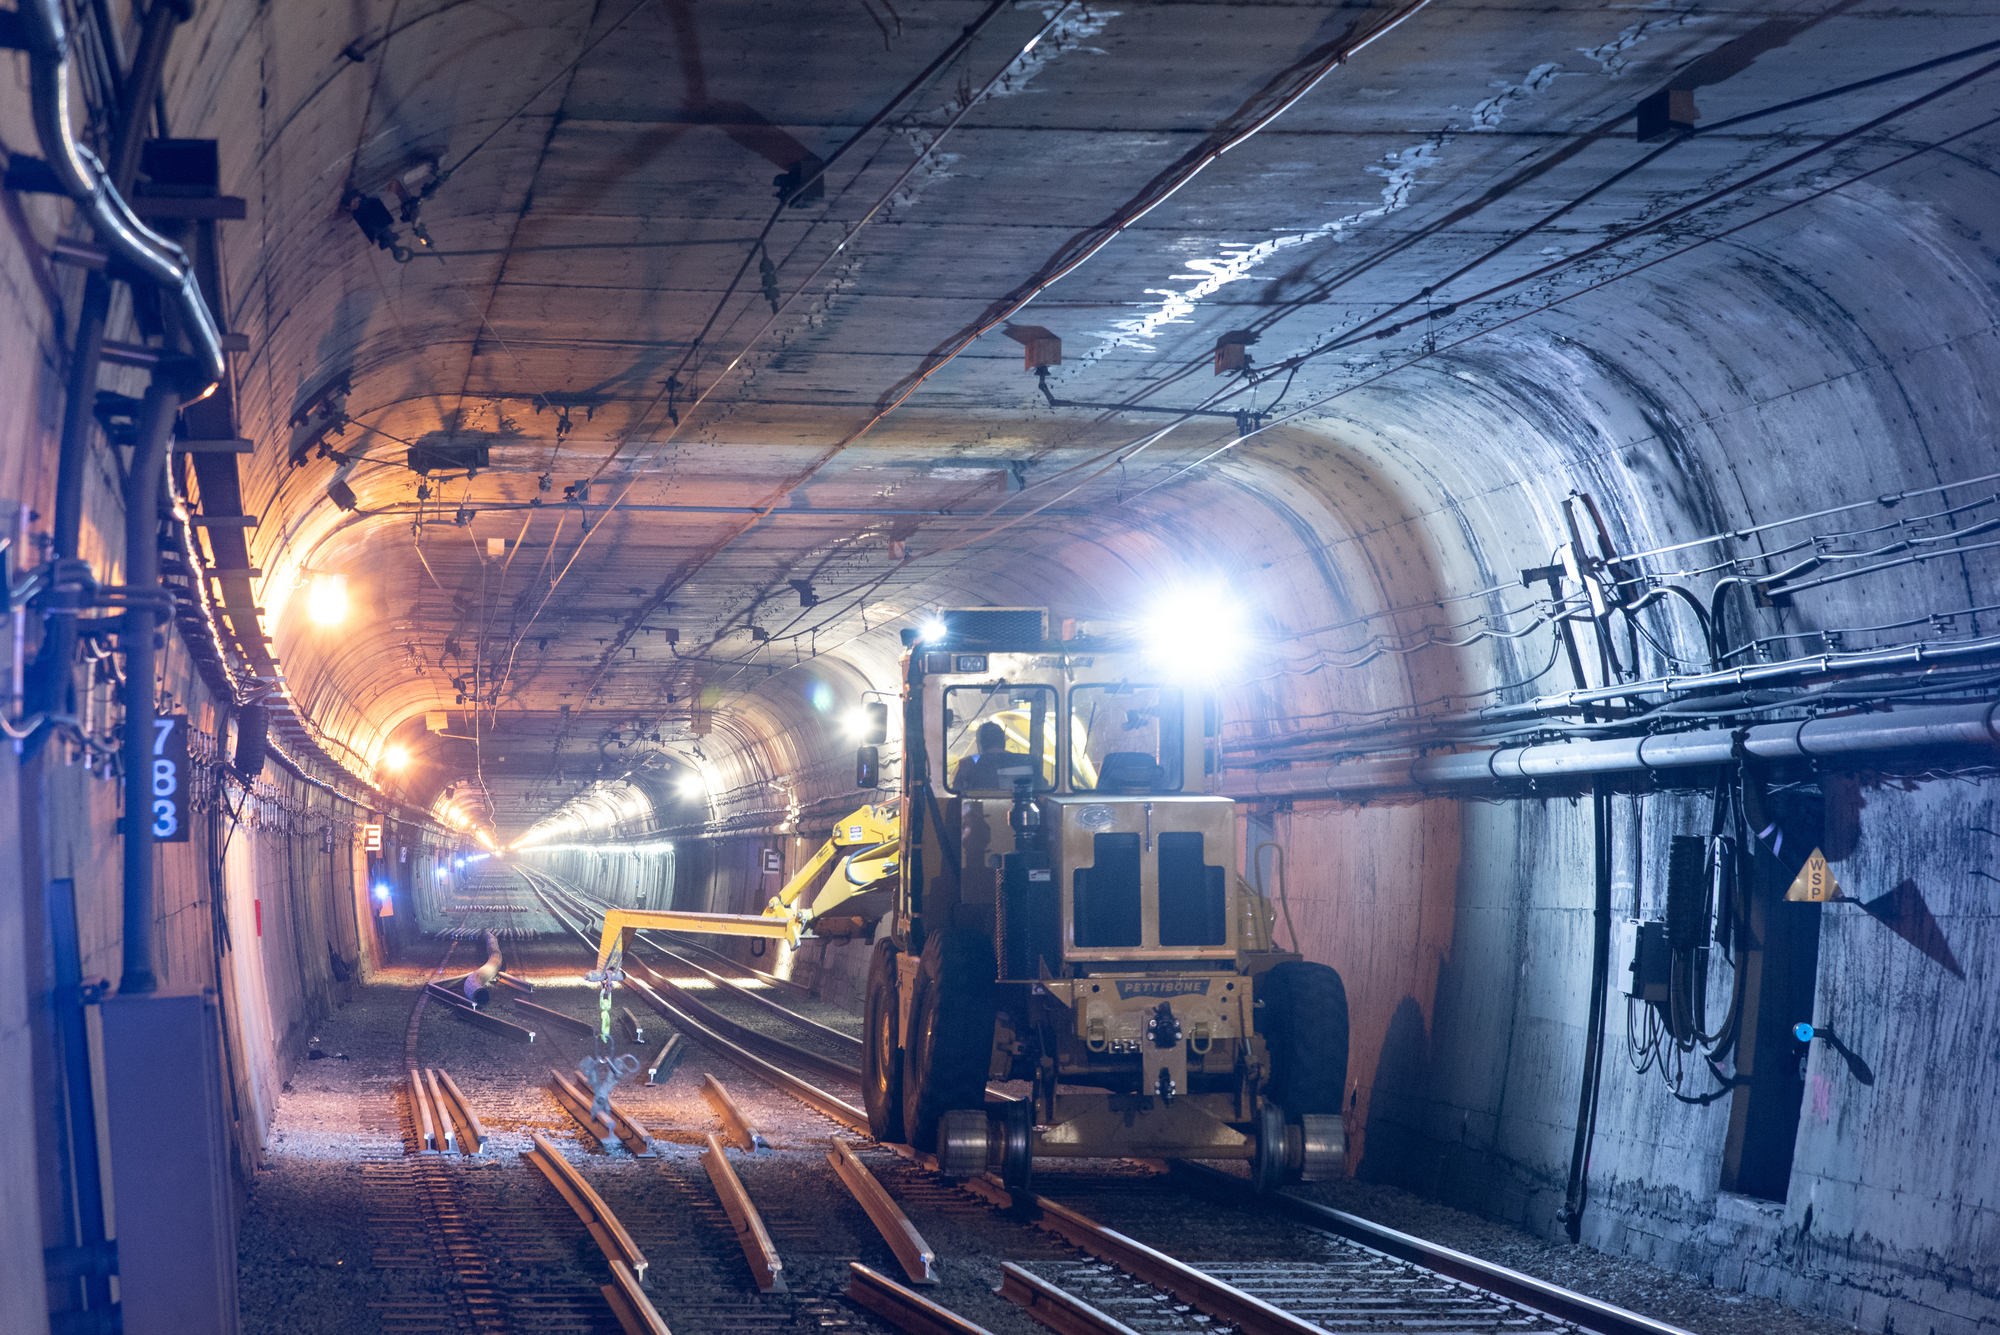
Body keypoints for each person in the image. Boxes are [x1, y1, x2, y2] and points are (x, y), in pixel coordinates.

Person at [953, 720, 1031, 790]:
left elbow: (956, 798)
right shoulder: (1026, 762)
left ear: (980, 743)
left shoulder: (968, 765)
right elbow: (1041, 795)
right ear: (1003, 741)